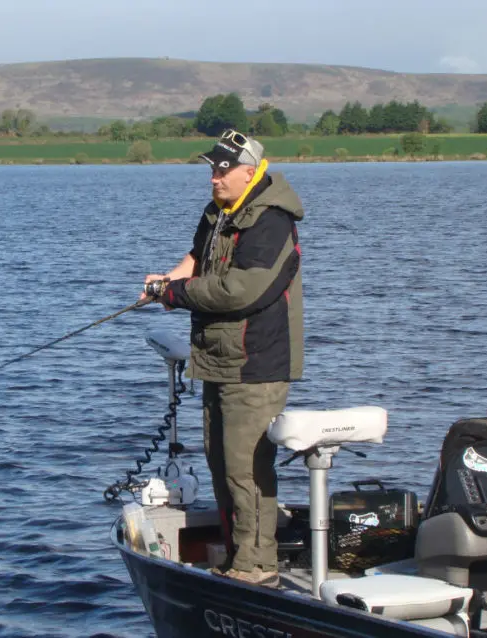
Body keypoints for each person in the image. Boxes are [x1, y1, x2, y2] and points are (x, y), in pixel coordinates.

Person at [142, 129, 304, 588]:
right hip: (218, 359)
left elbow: (240, 291)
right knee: (220, 461)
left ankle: (256, 566)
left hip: (256, 363)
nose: (214, 177)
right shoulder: (220, 212)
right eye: (212, 168)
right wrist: (163, 283)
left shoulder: (272, 221)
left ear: (250, 173)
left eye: (223, 169)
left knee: (246, 467)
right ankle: (237, 559)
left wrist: (174, 293)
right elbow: (198, 257)